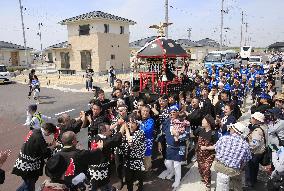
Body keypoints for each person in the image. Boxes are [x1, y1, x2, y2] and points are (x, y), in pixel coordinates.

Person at [12, 123, 57, 191]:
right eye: (50, 133)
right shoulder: (39, 137)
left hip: (22, 163)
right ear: (47, 131)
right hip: (28, 166)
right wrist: (53, 147)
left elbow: (36, 144)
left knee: (27, 184)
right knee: (30, 186)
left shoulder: (35, 131)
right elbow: (45, 154)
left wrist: (48, 145)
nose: (49, 135)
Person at [214, 122, 251, 191]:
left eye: (230, 128)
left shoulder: (223, 138)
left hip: (219, 166)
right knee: (238, 181)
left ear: (234, 130)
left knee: (221, 183)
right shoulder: (245, 145)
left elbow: (216, 150)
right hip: (233, 171)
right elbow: (245, 161)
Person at [158, 107, 189, 188]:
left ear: (177, 113)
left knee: (177, 164)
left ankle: (177, 180)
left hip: (180, 146)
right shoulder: (166, 123)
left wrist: (178, 136)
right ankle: (172, 172)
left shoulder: (184, 122)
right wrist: (159, 143)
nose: (172, 114)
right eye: (170, 113)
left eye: (174, 112)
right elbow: (161, 133)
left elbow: (188, 134)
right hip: (170, 147)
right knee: (167, 163)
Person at [88, 123, 124, 191]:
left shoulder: (95, 137)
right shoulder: (105, 142)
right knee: (101, 184)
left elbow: (110, 131)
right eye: (109, 130)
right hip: (100, 169)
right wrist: (123, 127)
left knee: (95, 183)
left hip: (92, 168)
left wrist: (117, 123)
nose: (111, 130)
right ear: (104, 132)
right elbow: (117, 137)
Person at [194, 115, 218, 190]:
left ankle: (208, 184)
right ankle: (204, 178)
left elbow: (216, 146)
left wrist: (206, 147)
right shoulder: (200, 130)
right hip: (199, 153)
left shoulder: (214, 133)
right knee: (200, 168)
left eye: (204, 120)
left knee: (206, 169)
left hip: (209, 155)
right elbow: (194, 135)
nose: (202, 121)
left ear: (209, 123)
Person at [123, 113, 146, 191]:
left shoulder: (140, 133)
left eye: (133, 122)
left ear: (137, 124)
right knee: (128, 180)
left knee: (139, 178)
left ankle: (140, 188)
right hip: (127, 160)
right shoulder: (126, 133)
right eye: (129, 122)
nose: (130, 125)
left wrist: (126, 130)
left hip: (137, 160)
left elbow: (131, 142)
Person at [245, 112, 267, 188]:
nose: (251, 119)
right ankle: (254, 180)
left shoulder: (257, 131)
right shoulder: (264, 126)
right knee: (255, 167)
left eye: (252, 118)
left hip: (255, 153)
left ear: (256, 120)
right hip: (260, 152)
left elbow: (254, 144)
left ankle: (249, 185)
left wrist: (246, 146)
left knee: (250, 169)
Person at [140, 105, 155, 171]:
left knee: (147, 161)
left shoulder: (150, 120)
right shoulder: (138, 119)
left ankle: (147, 173)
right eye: (144, 111)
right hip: (139, 144)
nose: (145, 112)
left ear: (149, 112)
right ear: (140, 111)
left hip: (147, 144)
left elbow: (147, 130)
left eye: (147, 111)